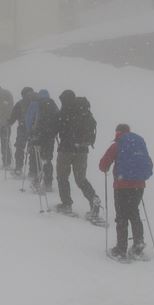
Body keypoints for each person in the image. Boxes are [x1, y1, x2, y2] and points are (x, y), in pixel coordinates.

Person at [98, 123, 153, 258]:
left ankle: (121, 249)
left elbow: (103, 165)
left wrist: (107, 168)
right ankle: (138, 244)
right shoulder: (139, 144)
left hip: (122, 186)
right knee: (134, 213)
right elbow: (149, 163)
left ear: (117, 133)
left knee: (122, 216)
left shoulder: (117, 145)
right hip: (139, 185)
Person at [54, 90, 102, 219]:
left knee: (62, 176)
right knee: (81, 179)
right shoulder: (85, 112)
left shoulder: (64, 111)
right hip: (82, 150)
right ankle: (93, 198)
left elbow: (55, 128)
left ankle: (66, 204)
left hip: (66, 149)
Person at [27, 89, 59, 192]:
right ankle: (48, 182)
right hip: (50, 136)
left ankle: (37, 181)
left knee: (37, 157)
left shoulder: (36, 104)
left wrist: (31, 132)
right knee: (47, 159)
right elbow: (59, 118)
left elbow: (31, 119)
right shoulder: (53, 104)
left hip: (39, 135)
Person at [9, 87, 35, 176]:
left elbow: (13, 116)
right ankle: (33, 171)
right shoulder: (36, 102)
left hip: (22, 128)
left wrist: (8, 123)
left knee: (20, 147)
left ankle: (18, 168)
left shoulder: (20, 103)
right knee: (33, 149)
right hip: (34, 129)